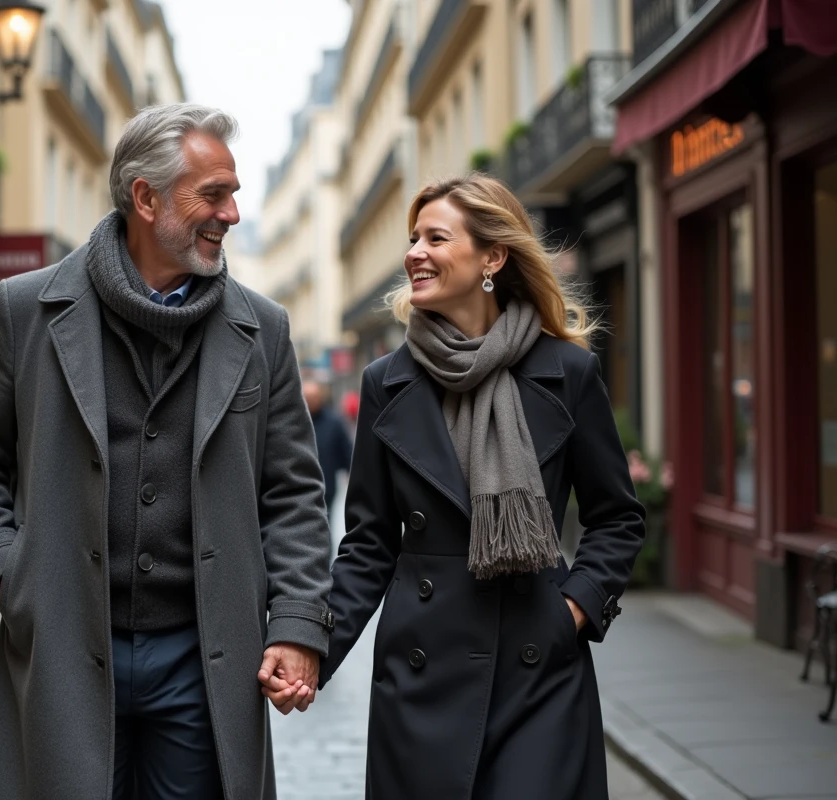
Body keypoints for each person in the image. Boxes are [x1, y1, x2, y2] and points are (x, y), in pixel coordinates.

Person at [0, 104, 334, 800]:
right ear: (146, 198)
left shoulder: (263, 330)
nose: (233, 213)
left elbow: (294, 495)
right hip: (64, 646)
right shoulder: (28, 308)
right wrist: (11, 577)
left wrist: (299, 623)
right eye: (213, 194)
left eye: (234, 192)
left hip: (205, 660)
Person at [272, 174, 645, 798]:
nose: (414, 251)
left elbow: (617, 517)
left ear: (492, 257)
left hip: (537, 669)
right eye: (413, 237)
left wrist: (573, 610)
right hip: (422, 684)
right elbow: (368, 545)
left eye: (435, 237)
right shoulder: (385, 383)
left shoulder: (568, 373)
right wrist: (312, 647)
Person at [302, 379, 353, 519]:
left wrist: (352, 474)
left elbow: (346, 450)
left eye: (314, 397)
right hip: (300, 484)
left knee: (324, 522)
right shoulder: (295, 422)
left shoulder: (333, 422)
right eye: (307, 398)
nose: (310, 401)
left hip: (327, 485)